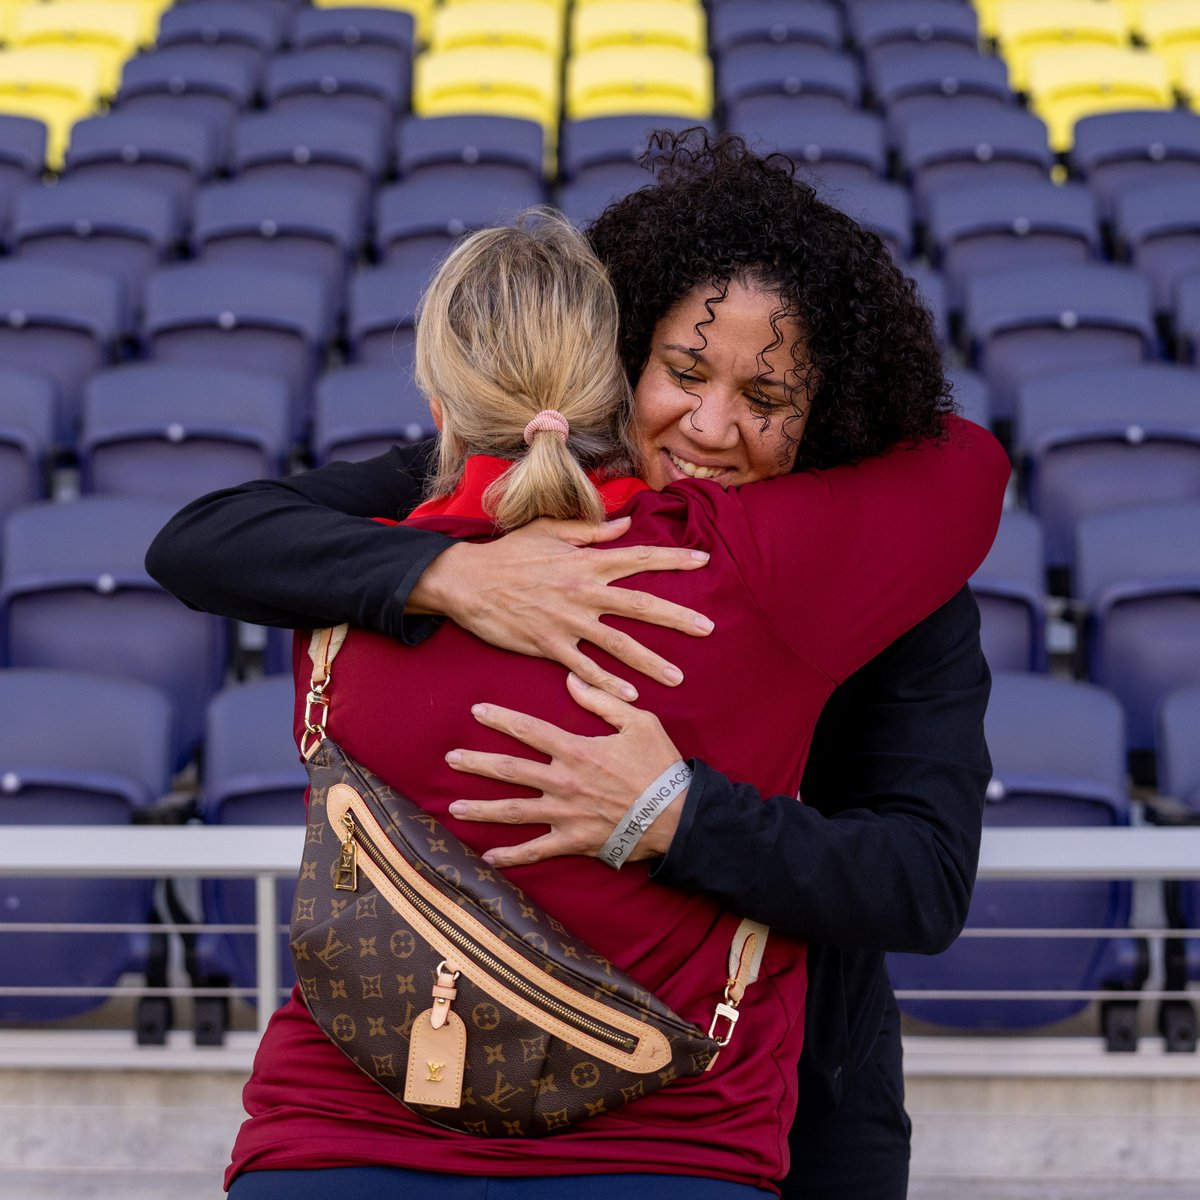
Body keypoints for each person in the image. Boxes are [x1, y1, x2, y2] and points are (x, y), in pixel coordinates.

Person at [147, 133, 1004, 1198]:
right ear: (620, 360)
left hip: (779, 1096)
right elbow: (205, 540)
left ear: (828, 411)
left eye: (769, 399)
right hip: (417, 1072)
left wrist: (677, 815)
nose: (712, 427)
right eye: (683, 372)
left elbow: (921, 886)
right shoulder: (490, 485)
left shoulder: (892, 584)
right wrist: (452, 574)